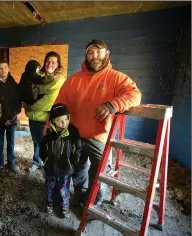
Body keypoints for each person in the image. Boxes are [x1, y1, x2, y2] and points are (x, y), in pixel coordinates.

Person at [53, 39, 142, 206]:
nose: (95, 56)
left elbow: (135, 95)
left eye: (98, 52)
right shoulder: (74, 79)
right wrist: (55, 118)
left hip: (99, 136)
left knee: (99, 171)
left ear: (107, 54)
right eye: (90, 53)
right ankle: (80, 193)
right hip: (76, 133)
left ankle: (94, 204)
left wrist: (113, 104)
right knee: (78, 168)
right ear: (86, 56)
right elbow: (60, 101)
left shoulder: (116, 78)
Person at [25, 51, 66, 173]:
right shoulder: (38, 75)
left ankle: (49, 165)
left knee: (48, 143)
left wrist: (31, 105)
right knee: (36, 141)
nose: (50, 64)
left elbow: (48, 97)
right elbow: (29, 90)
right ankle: (36, 162)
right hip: (33, 117)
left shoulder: (59, 79)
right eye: (48, 61)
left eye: (53, 62)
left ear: (58, 64)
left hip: (48, 117)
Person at [39, 103, 82, 218]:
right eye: (59, 120)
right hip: (50, 167)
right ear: (53, 122)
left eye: (66, 119)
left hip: (65, 168)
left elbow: (78, 148)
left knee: (64, 188)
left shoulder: (72, 132)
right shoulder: (49, 133)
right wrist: (45, 159)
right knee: (50, 186)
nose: (63, 122)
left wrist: (73, 162)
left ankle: (64, 206)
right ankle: (50, 203)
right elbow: (42, 145)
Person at [0, 60, 22, 174]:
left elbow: (18, 100)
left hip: (11, 118)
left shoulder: (13, 83)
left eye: (5, 67)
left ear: (8, 69)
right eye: (0, 68)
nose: (3, 70)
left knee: (11, 142)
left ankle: (11, 163)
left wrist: (15, 113)